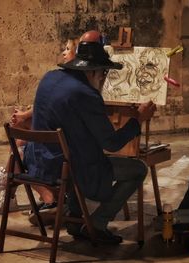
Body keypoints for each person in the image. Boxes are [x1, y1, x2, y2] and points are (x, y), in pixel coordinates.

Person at [23, 31, 157, 244]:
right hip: (64, 167)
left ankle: (75, 221)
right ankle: (98, 223)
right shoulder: (86, 94)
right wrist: (138, 119)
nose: (104, 79)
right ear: (97, 72)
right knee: (137, 169)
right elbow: (111, 143)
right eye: (104, 74)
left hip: (37, 161)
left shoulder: (50, 77)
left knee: (78, 153)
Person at [0, 38, 80, 215]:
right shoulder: (64, 78)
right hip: (57, 140)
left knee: (18, 155)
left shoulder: (71, 82)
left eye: (68, 49)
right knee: (21, 139)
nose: (64, 53)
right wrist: (25, 115)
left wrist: (25, 116)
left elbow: (49, 107)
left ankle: (13, 189)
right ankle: (17, 192)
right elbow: (45, 105)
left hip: (62, 149)